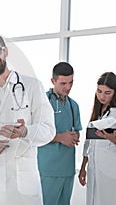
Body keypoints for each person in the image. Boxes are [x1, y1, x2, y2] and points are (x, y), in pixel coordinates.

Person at [0, 32, 55, 205]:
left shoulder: (31, 87)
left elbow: (49, 130)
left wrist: (25, 132)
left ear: (6, 51)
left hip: (22, 186)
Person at [37, 62, 82, 205]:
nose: (68, 87)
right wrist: (60, 137)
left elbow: (77, 129)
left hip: (68, 169)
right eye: (63, 83)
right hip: (48, 169)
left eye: (71, 82)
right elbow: (34, 133)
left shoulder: (73, 105)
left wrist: (75, 136)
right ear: (53, 81)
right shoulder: (42, 102)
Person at [78, 72, 116, 205]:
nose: (102, 96)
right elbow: (88, 144)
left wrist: (110, 137)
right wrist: (83, 167)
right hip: (94, 169)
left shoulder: (115, 114)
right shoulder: (97, 112)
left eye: (107, 92)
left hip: (110, 170)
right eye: (99, 91)